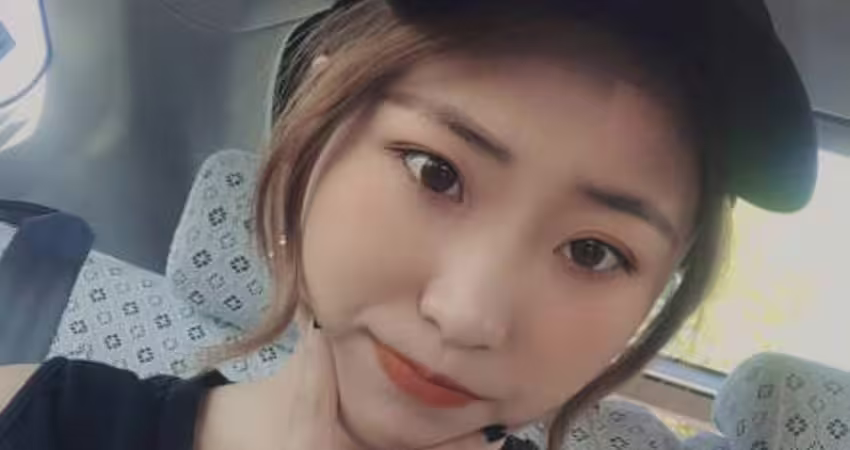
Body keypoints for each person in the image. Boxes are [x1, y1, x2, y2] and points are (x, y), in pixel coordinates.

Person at [0, 0, 818, 449]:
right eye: (436, 172)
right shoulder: (40, 419)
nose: (468, 316)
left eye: (594, 252)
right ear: (316, 128)